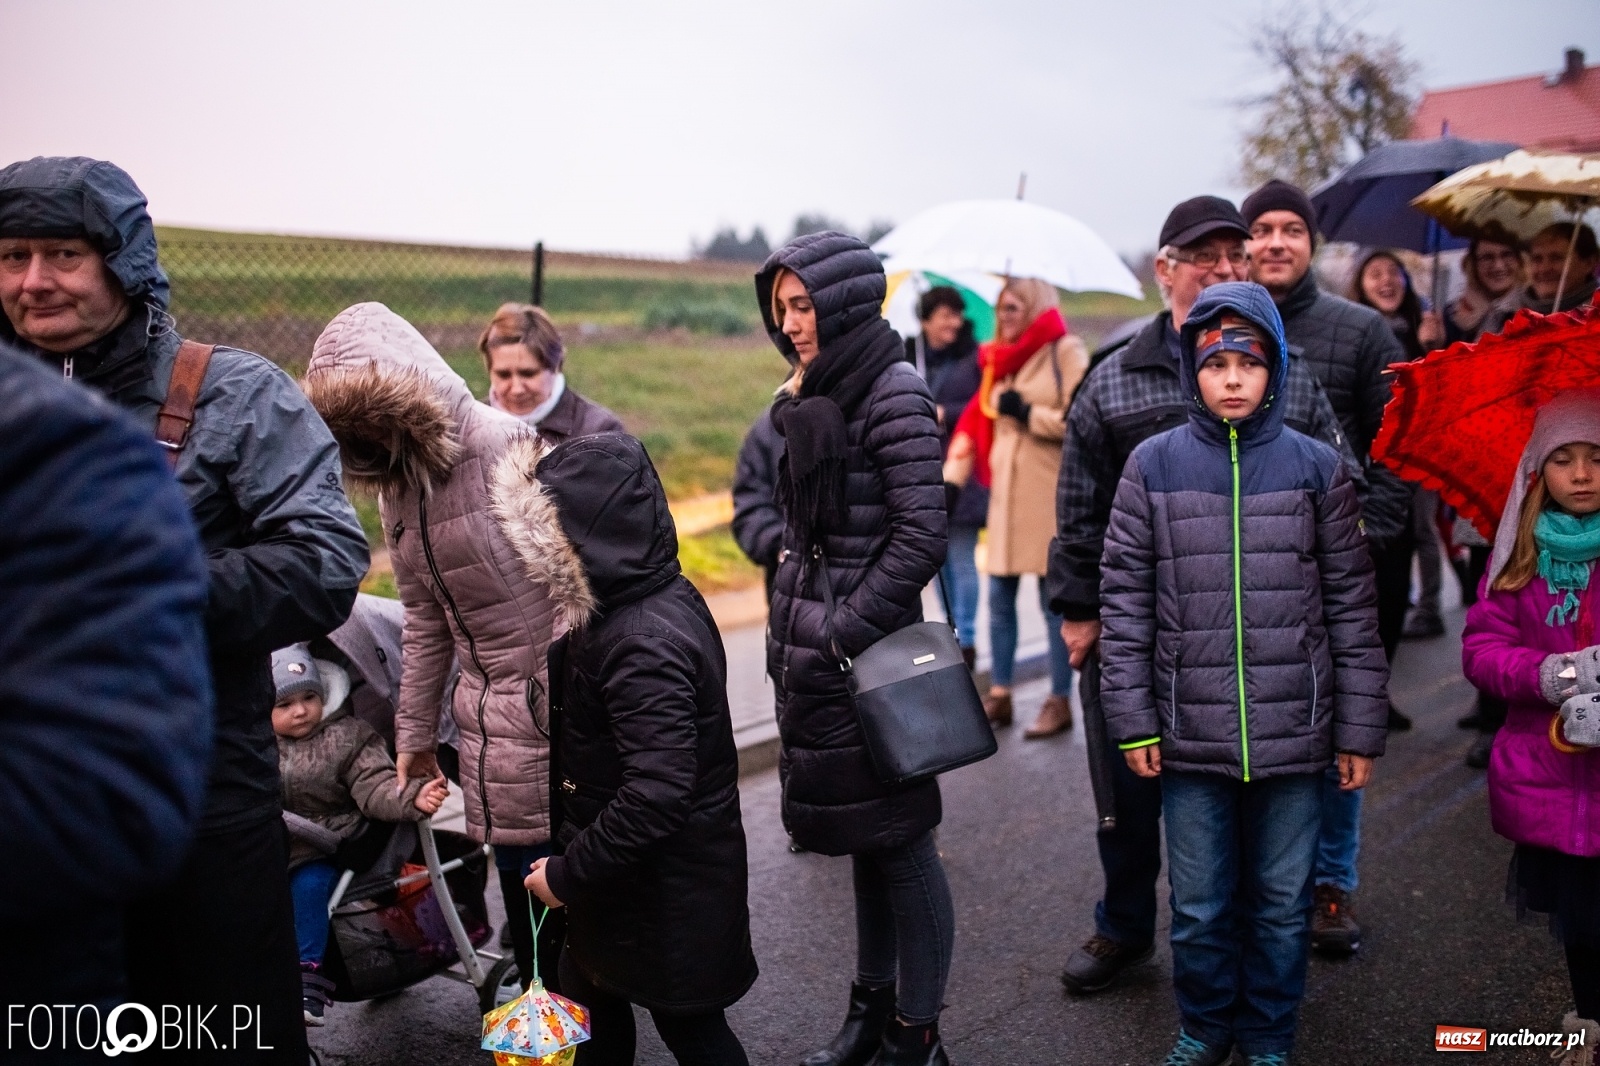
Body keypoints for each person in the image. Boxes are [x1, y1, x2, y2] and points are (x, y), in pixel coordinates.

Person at [0, 156, 371, 1063]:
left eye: (62, 255)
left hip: (199, 789)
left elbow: (326, 558)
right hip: (26, 800)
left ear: (123, 263)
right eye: (12, 257)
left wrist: (136, 592)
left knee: (221, 1030)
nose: (33, 282)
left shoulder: (231, 394)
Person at [1045, 195, 1355, 997]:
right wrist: (1081, 613)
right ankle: (1123, 929)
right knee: (1125, 800)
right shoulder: (1112, 378)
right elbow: (1077, 508)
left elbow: (1341, 487)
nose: (1223, 267)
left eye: (1235, 255)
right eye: (1203, 255)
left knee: (1228, 820)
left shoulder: (1283, 376)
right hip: (1132, 628)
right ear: (1165, 268)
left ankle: (1253, 966)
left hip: (1255, 635)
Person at [1100, 281, 1387, 1066]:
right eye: (1215, 360)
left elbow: (1352, 612)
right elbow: (1124, 604)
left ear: (1276, 370)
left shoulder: (1316, 469)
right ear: (1193, 367)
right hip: (1189, 737)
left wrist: (1358, 728)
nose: (1232, 377)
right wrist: (1132, 720)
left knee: (1281, 905)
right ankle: (1203, 1024)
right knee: (1196, 906)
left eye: (1249, 361)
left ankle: (1266, 1031)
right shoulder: (1151, 468)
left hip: (1295, 738)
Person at [304, 302, 563, 995]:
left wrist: (568, 705)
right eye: (354, 431)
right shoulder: (399, 491)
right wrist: (413, 739)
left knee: (562, 891)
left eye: (378, 420)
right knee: (521, 890)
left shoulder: (511, 445)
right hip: (484, 719)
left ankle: (576, 1017)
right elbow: (422, 621)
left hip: (555, 709)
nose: (372, 440)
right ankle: (543, 1023)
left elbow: (574, 589)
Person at [757, 233, 955, 1066]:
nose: (793, 323)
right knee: (867, 845)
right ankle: (869, 1014)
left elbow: (920, 536)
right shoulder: (811, 394)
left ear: (841, 301)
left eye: (804, 306)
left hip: (866, 660)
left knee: (904, 848)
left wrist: (841, 634)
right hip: (821, 659)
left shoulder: (893, 393)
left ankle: (917, 1033)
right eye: (782, 309)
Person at [512, 433, 757, 1066]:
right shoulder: (639, 602)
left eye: (546, 534)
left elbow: (657, 792)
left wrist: (567, 873)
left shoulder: (640, 640)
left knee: (691, 1029)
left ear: (584, 536)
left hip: (663, 888)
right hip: (633, 880)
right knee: (590, 993)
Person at [0, 340, 212, 1045]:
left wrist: (190, 594)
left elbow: (113, 795)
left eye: (62, 252)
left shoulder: (60, 447)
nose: (35, 280)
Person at [1243, 178, 1412, 959]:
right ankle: (1272, 882)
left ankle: (1331, 884)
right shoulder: (1231, 330)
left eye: (1291, 229)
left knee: (1344, 728)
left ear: (1312, 243)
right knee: (1274, 730)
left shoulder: (1364, 333)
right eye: (1263, 229)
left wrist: (1370, 541)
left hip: (1346, 571)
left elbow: (1396, 449)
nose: (1276, 242)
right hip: (1261, 576)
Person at [1460, 389, 1600, 1065]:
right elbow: (1483, 652)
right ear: (1536, 473)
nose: (1581, 474)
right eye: (1563, 459)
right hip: (1551, 777)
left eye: (1596, 458)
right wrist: (1554, 673)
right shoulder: (1516, 561)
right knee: (1581, 919)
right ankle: (1590, 1021)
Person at [270, 645, 448, 1026]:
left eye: (309, 698)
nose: (300, 711)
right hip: (271, 844)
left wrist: (413, 795)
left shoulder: (349, 738)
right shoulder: (259, 748)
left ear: (325, 696)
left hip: (330, 845)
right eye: (284, 705)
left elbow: (376, 786)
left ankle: (308, 979)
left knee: (308, 888)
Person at [947, 279, 1086, 735]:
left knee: (1053, 603)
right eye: (1001, 307)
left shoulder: (1064, 351)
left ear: (1034, 307)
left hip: (1048, 497)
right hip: (1004, 500)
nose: (1004, 316)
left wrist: (1029, 413)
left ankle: (1059, 698)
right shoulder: (998, 360)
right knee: (999, 598)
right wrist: (951, 482)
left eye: (1013, 307)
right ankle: (1001, 693)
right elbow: (974, 419)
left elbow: (1081, 419)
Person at [1348, 250, 1449, 642]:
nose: (1386, 281)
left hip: (1418, 446)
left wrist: (1431, 347)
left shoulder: (1422, 326)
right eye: (1375, 274)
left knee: (1422, 529)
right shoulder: (1354, 330)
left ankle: (1429, 608)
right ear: (1361, 283)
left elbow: (1440, 389)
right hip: (1371, 452)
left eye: (1394, 272)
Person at [907, 285, 986, 667]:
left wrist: (946, 413)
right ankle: (951, 631)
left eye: (957, 315)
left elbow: (982, 404)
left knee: (961, 555)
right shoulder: (910, 356)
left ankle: (966, 637)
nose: (953, 323)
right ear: (926, 319)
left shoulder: (974, 357)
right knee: (936, 559)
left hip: (963, 472)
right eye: (944, 315)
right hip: (923, 473)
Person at [480, 302, 624, 441]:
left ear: (556, 367)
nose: (517, 389)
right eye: (503, 375)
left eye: (528, 374)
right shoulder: (468, 426)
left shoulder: (600, 432)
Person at [1486, 223, 1600, 331]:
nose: (1544, 269)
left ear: (1589, 263)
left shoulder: (1594, 320)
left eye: (1556, 258)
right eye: (1537, 259)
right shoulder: (1504, 314)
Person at [733, 405, 787, 603]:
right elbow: (749, 507)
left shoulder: (879, 412)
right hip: (788, 603)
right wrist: (783, 546)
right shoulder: (770, 428)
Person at [1445, 237, 1523, 346]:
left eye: (1507, 255)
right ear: (1473, 264)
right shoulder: (1452, 315)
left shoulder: (1531, 314)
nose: (1498, 267)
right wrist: (1432, 344)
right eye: (1487, 257)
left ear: (1520, 260)